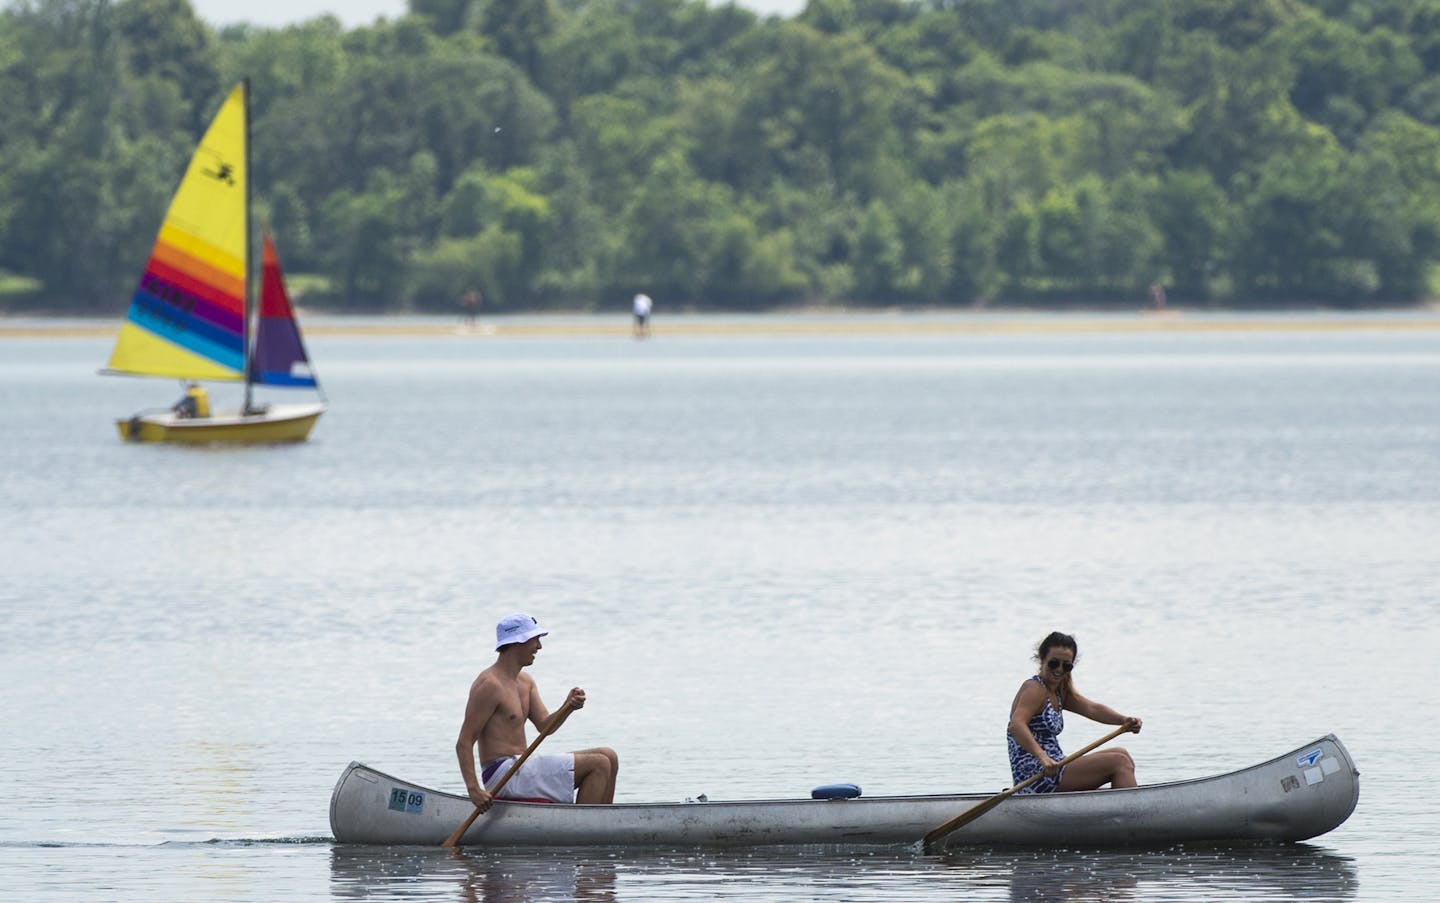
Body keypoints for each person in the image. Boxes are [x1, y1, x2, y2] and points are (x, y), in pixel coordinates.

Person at [456, 613, 619, 813]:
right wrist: (473, 789)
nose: (539, 647)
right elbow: (464, 741)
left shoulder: (526, 681)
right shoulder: (489, 685)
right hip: (502, 773)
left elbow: (544, 726)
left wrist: (568, 707)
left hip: (523, 766)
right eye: (535, 640)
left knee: (609, 756)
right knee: (599, 764)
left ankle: (605, 821)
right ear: (517, 643)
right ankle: (584, 828)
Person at [1006, 631, 1141, 793]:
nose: (1059, 670)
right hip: (1036, 774)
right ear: (1042, 659)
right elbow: (1016, 725)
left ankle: (1121, 806)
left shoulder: (1059, 692)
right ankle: (1131, 813)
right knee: (1119, 762)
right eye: (1054, 663)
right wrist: (1043, 758)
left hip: (1055, 765)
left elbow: (1092, 709)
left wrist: (1124, 720)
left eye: (1067, 666)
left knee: (1122, 753)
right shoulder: (1034, 688)